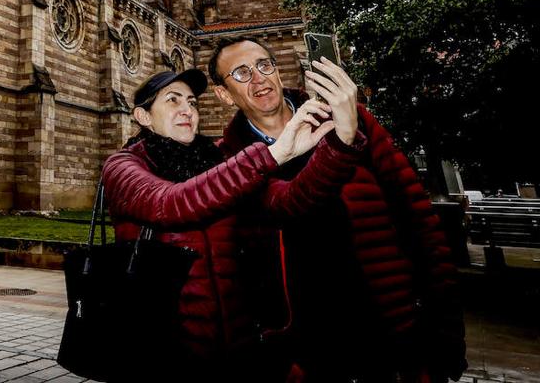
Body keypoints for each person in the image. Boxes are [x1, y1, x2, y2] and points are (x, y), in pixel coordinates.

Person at [209, 36, 466, 383]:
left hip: (390, 329)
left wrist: (446, 328)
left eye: (264, 65)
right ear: (224, 94)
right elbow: (285, 206)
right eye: (241, 73)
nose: (259, 79)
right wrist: (341, 143)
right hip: (305, 351)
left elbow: (417, 217)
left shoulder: (350, 117)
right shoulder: (229, 161)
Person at [101, 66, 365, 380]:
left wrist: (342, 141)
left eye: (192, 102)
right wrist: (274, 153)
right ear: (143, 117)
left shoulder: (219, 162)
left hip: (240, 346)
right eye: (173, 101)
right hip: (163, 350)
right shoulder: (123, 165)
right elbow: (169, 203)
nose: (187, 110)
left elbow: (289, 201)